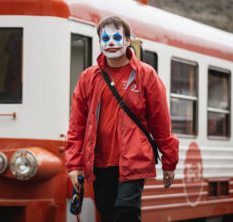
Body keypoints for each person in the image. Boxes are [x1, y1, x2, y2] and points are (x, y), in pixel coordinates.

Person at [66, 16, 179, 222]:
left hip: (133, 159)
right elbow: (77, 124)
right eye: (105, 38)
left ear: (127, 40)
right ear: (99, 41)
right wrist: (74, 165)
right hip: (100, 163)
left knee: (126, 210)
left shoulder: (145, 75)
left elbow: (160, 121)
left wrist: (169, 161)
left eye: (117, 37)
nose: (110, 42)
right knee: (107, 214)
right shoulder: (88, 78)